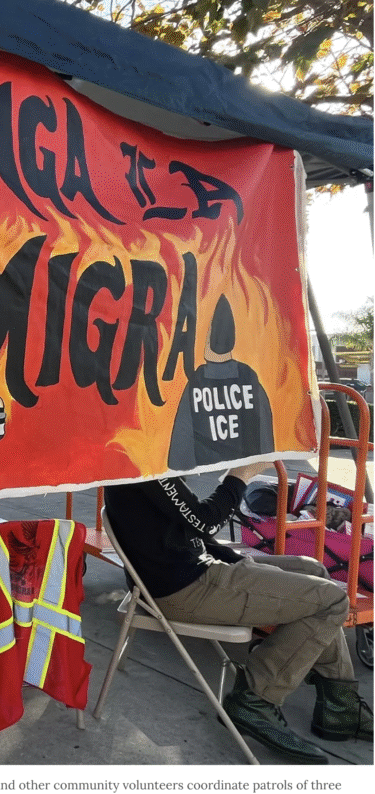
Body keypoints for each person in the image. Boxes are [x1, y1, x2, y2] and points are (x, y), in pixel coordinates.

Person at [104, 464, 372, 764]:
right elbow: (205, 522)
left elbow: (188, 531)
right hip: (184, 587)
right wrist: (241, 474)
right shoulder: (144, 468)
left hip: (191, 570)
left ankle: (341, 707)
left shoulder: (146, 466)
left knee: (314, 571)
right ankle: (256, 698)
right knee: (331, 601)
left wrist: (240, 561)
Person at [167, 295, 274, 470]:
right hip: (243, 472)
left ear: (209, 338)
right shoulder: (249, 377)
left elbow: (181, 441)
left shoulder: (197, 381)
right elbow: (265, 433)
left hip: (204, 472)